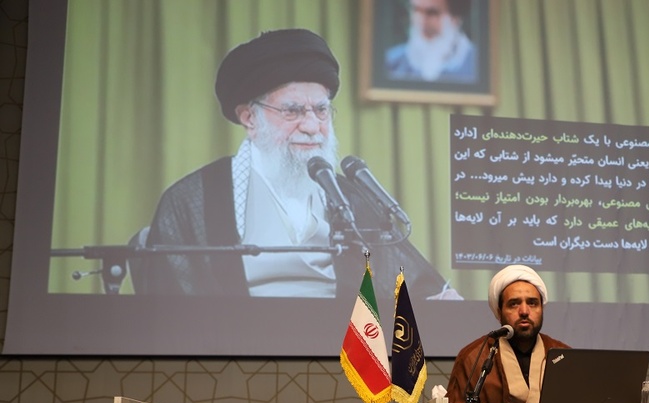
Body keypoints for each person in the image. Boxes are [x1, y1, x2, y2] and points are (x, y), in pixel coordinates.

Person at [138, 28, 456, 299]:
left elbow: (417, 289)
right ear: (249, 118)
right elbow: (172, 311)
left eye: (321, 110)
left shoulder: (349, 198)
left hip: (343, 347)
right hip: (235, 347)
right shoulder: (194, 199)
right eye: (292, 111)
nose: (312, 126)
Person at [447, 265, 570, 403]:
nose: (524, 311)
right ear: (499, 312)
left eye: (532, 303)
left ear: (541, 309)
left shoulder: (564, 355)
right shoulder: (473, 357)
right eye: (514, 304)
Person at [384, 0, 478, 84]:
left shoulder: (477, 65)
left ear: (455, 18)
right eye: (415, 10)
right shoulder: (392, 63)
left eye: (431, 13)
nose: (420, 21)